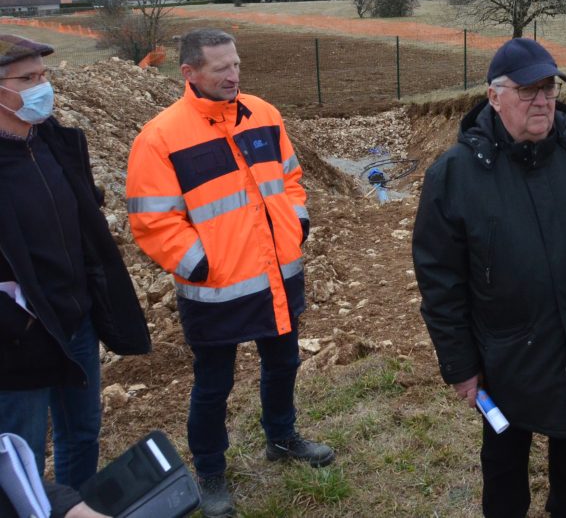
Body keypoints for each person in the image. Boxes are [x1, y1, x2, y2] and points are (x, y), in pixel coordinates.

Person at [413, 37, 566, 518]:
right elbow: (439, 281)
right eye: (528, 90)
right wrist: (460, 365)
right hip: (503, 353)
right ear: (494, 97)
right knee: (505, 460)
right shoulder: (454, 176)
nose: (542, 101)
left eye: (549, 88)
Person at [125, 29, 332, 518]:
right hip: (214, 290)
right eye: (220, 68)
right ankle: (211, 470)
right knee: (213, 384)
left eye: (235, 64)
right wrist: (202, 264)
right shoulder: (159, 138)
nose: (233, 75)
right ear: (189, 73)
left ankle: (281, 438)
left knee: (283, 363)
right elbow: (152, 220)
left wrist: (296, 223)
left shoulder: (263, 114)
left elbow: (291, 177)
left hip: (278, 275)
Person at [0, 34, 150, 489]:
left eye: (43, 76)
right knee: (19, 451)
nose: (41, 87)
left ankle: (77, 504)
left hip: (77, 319)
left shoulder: (58, 144)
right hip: (20, 335)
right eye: (27, 79)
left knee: (82, 434)